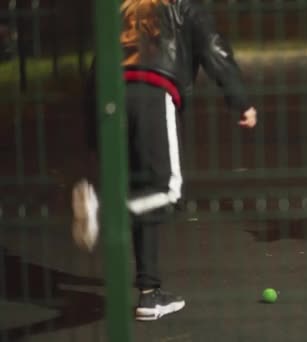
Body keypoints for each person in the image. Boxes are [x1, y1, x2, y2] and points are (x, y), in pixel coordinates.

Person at [72, 0, 257, 321]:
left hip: (108, 95)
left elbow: (98, 63)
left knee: (143, 191)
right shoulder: (184, 5)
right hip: (152, 90)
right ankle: (103, 209)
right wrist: (241, 101)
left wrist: (92, 132)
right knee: (168, 192)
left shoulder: (123, 6)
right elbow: (214, 49)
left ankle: (150, 294)